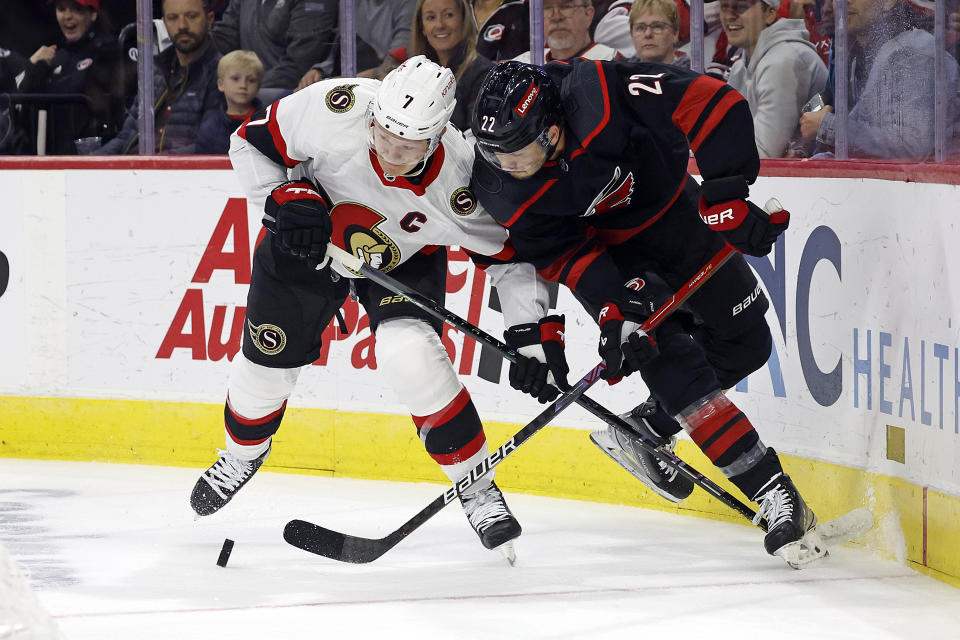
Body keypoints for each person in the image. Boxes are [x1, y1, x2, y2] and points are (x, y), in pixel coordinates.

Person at [189, 56, 563, 559]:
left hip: (403, 260)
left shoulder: (462, 180)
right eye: (384, 132)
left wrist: (528, 334)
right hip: (308, 238)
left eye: (407, 145)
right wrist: (285, 195)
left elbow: (513, 261)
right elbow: (250, 143)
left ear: (437, 136)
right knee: (264, 368)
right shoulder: (335, 107)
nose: (388, 150)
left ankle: (476, 488)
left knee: (408, 353)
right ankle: (241, 454)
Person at [469, 60, 822, 568]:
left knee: (747, 345)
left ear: (550, 133)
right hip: (617, 260)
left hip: (681, 217)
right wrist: (615, 310)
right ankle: (775, 493)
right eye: (492, 152)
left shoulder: (603, 94)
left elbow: (713, 101)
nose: (502, 164)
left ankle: (648, 428)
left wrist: (727, 192)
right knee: (674, 363)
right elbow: (566, 253)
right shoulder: (502, 184)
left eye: (513, 151)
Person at [797, 0, 960, 160]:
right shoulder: (862, 55)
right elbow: (862, 135)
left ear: (889, 2)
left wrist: (826, 126)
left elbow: (911, 147)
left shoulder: (912, 53)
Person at [97, 0, 221, 154]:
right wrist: (89, 163)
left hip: (178, 174)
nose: (182, 25)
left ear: (210, 19)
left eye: (191, 16)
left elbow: (208, 146)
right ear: (164, 22)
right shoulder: (156, 70)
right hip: (136, 171)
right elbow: (126, 137)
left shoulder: (221, 74)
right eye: (173, 18)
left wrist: (154, 165)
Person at [720, 0, 827, 158]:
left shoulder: (783, 60)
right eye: (724, 7)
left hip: (820, 179)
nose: (729, 16)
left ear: (769, 14)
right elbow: (721, 138)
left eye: (741, 7)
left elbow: (763, 155)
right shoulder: (739, 69)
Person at [15, 0, 124, 154]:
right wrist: (34, 67)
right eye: (61, 9)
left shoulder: (108, 50)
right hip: (51, 162)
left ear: (93, 14)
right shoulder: (55, 57)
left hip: (93, 160)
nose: (67, 16)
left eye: (77, 9)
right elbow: (21, 107)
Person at [383, 0, 495, 132]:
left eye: (448, 15)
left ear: (464, 21)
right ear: (422, 28)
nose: (440, 25)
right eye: (431, 18)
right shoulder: (415, 71)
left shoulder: (483, 73)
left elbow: (477, 139)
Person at [211, 0, 337, 91]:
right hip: (247, 88)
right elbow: (225, 38)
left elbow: (299, 65)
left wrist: (245, 85)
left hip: (287, 95)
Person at [296, 0, 417, 89]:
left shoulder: (408, 4)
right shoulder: (350, 3)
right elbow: (340, 46)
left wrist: (337, 83)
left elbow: (394, 66)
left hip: (378, 88)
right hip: (346, 81)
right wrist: (320, 71)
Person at [195, 50, 264, 154]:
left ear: (258, 87)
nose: (243, 85)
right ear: (221, 84)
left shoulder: (269, 123)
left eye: (251, 80)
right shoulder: (209, 129)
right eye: (235, 79)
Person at [513, 0, 620, 63]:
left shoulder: (612, 60)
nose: (556, 17)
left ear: (588, 14)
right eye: (547, 8)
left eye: (566, 6)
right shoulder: (522, 63)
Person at [627, 0, 691, 67]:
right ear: (632, 34)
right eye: (640, 28)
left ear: (675, 33)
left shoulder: (694, 75)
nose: (648, 34)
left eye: (657, 27)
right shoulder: (619, 74)